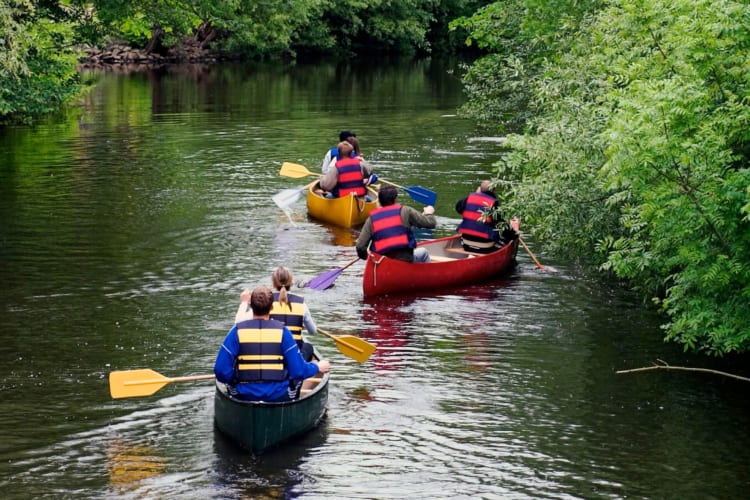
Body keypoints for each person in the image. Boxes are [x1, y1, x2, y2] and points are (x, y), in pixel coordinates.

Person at [215, 286, 330, 402]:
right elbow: (298, 371)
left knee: (229, 375)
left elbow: (220, 371)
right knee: (296, 374)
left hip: (243, 394)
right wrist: (317, 367)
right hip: (278, 395)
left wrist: (233, 378)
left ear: (251, 306)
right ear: (271, 307)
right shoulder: (283, 332)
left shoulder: (236, 332)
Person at [355, 185, 436, 262]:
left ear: (379, 201)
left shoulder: (371, 219)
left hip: (381, 261)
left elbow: (360, 246)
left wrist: (367, 257)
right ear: (395, 199)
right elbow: (431, 223)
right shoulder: (406, 211)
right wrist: (429, 213)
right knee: (424, 252)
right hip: (404, 260)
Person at [268, 266, 317, 362]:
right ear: (291, 282)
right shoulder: (301, 303)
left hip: (272, 352)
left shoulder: (266, 301)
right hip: (294, 356)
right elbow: (312, 331)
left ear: (273, 283)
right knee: (308, 347)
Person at [454, 180, 515, 253]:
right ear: (494, 190)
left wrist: (477, 195)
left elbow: (458, 208)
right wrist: (514, 235)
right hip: (485, 247)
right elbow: (502, 226)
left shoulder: (468, 198)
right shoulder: (494, 203)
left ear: (479, 188)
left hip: (466, 244)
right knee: (504, 237)